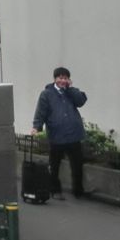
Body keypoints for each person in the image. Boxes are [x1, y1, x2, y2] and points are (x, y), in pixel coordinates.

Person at [30, 66, 88, 198]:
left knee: (77, 165)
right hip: (57, 135)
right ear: (55, 79)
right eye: (60, 78)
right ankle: (55, 190)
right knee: (55, 165)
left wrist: (70, 89)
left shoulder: (71, 92)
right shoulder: (47, 94)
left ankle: (78, 191)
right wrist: (36, 126)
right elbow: (41, 112)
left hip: (74, 135)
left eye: (65, 78)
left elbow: (81, 101)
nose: (63, 80)